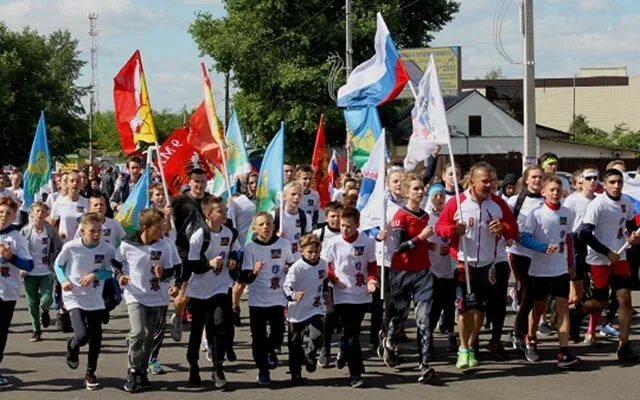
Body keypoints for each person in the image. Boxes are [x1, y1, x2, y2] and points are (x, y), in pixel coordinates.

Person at [436, 163, 518, 369]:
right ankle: (463, 348)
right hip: (464, 263)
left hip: (488, 265)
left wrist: (503, 227)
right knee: (466, 309)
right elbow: (440, 227)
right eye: (485, 181)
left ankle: (472, 345)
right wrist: (454, 230)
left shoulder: (498, 204)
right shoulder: (457, 202)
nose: (489, 185)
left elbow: (514, 230)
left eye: (492, 181)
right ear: (472, 181)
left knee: (480, 311)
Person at [575, 168, 640, 362]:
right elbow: (584, 234)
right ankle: (577, 311)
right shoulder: (598, 205)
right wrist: (607, 253)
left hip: (620, 257)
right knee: (600, 302)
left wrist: (634, 236)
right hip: (599, 259)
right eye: (612, 182)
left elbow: (630, 227)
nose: (616, 186)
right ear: (605, 184)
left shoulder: (626, 202)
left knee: (624, 298)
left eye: (619, 182)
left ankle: (624, 345)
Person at [112, 208, 179, 392]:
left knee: (149, 337)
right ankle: (133, 370)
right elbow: (115, 263)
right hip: (135, 294)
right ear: (144, 227)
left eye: (163, 226)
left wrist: (163, 273)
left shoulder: (164, 245)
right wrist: (120, 277)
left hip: (156, 297)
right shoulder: (128, 244)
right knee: (139, 332)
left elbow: (172, 271)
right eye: (158, 227)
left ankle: (142, 371)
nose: (161, 230)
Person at [520, 174, 581, 369]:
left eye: (558, 189)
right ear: (543, 192)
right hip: (539, 270)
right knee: (539, 308)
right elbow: (524, 237)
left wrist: (571, 264)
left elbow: (569, 240)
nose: (555, 193)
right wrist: (541, 247)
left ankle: (564, 351)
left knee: (563, 308)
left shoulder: (567, 212)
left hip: (560, 269)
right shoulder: (536, 213)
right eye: (551, 190)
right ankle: (530, 339)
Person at [380, 173, 436, 383]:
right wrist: (422, 238)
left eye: (422, 188)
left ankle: (425, 363)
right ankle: (389, 342)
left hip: (423, 271)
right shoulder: (399, 217)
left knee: (423, 319)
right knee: (400, 316)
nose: (420, 192)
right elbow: (397, 248)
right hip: (401, 272)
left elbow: (420, 244)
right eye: (415, 189)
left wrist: (433, 245)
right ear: (405, 192)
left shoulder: (425, 216)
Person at [54, 212, 116, 390]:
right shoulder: (71, 247)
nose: (96, 234)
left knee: (96, 338)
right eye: (92, 231)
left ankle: (90, 373)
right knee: (82, 336)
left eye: (99, 231)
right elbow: (58, 265)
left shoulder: (107, 249)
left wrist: (95, 275)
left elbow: (111, 270)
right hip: (74, 296)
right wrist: (63, 280)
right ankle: (72, 347)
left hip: (95, 297)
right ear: (82, 231)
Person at [184, 196, 239, 389]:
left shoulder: (230, 233)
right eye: (221, 211)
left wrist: (232, 260)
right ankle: (193, 367)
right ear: (209, 215)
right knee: (197, 330)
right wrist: (208, 263)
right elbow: (192, 265)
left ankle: (218, 367)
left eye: (225, 210)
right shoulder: (199, 235)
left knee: (219, 324)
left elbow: (234, 251)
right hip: (199, 289)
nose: (225, 214)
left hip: (221, 286)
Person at [323, 207, 377, 388]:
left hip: (360, 293)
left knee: (352, 332)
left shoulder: (367, 242)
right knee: (351, 333)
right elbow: (327, 266)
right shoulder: (334, 243)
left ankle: (344, 352)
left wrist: (372, 281)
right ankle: (356, 373)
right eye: (342, 225)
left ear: (357, 225)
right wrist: (334, 279)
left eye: (348, 226)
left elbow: (371, 265)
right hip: (341, 292)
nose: (344, 229)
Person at [240, 212, 294, 385]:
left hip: (277, 298)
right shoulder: (250, 248)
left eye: (269, 223)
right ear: (254, 228)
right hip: (257, 300)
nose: (266, 227)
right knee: (258, 338)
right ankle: (263, 371)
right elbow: (245, 277)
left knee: (278, 333)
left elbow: (292, 266)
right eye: (262, 224)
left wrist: (288, 269)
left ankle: (271, 350)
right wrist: (254, 272)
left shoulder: (284, 244)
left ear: (274, 226)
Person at [507, 165, 545, 353]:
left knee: (536, 297)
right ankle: (518, 332)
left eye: (540, 177)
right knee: (529, 292)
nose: (537, 180)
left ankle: (529, 331)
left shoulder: (547, 200)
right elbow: (506, 222)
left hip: (540, 255)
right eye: (534, 177)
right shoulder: (515, 200)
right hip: (519, 252)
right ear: (526, 180)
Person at [171, 169, 211, 342]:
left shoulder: (210, 200)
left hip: (206, 251)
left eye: (202, 181)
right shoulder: (179, 202)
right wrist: (167, 214)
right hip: (184, 251)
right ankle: (178, 316)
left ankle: (206, 337)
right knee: (183, 295)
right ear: (190, 182)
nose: (200, 185)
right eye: (196, 181)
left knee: (206, 295)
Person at [283, 234, 326, 385]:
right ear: (301, 251)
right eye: (310, 252)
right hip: (297, 310)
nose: (314, 255)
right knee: (294, 344)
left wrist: (326, 294)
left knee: (317, 334)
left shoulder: (323, 264)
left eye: (316, 251)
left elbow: (325, 281)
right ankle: (296, 374)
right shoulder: (297, 267)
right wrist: (294, 295)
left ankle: (310, 354)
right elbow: (286, 287)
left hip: (314, 308)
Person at [0, 197, 34, 386]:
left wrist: (10, 257)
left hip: (7, 292)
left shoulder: (16, 237)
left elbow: (29, 265)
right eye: (0, 212)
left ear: (13, 216)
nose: (3, 216)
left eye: (8, 213)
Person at [563, 166, 599, 345]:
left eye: (595, 178)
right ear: (581, 181)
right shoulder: (571, 201)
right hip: (576, 246)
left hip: (595, 248)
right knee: (575, 296)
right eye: (589, 178)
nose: (592, 181)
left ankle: (590, 332)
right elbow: (564, 226)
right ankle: (568, 324)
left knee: (595, 293)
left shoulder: (600, 201)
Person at [20, 202, 63, 342]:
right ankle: (36, 330)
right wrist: (21, 267)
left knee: (46, 299)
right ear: (31, 213)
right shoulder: (26, 231)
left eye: (42, 211)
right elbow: (19, 250)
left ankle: (44, 311)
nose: (40, 214)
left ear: (46, 214)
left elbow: (60, 247)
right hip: (29, 272)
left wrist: (55, 261)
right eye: (37, 211)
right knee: (32, 302)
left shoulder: (50, 230)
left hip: (46, 271)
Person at [425, 184, 457, 353]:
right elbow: (421, 239)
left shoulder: (451, 216)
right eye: (435, 196)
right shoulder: (427, 217)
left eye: (442, 196)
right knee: (435, 305)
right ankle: (428, 337)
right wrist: (435, 248)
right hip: (433, 268)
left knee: (450, 304)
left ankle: (451, 334)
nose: (439, 199)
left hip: (450, 267)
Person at [313, 202, 343, 367]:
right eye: (333, 216)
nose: (336, 220)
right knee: (329, 314)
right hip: (325, 281)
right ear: (326, 218)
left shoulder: (348, 233)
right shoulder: (320, 233)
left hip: (345, 282)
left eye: (339, 216)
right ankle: (325, 348)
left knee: (342, 316)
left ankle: (343, 348)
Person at [275, 181, 312, 259]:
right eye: (293, 194)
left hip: (297, 259)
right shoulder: (275, 215)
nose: (296, 197)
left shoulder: (305, 217)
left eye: (299, 195)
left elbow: (308, 240)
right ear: (285, 196)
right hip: (279, 257)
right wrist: (275, 237)